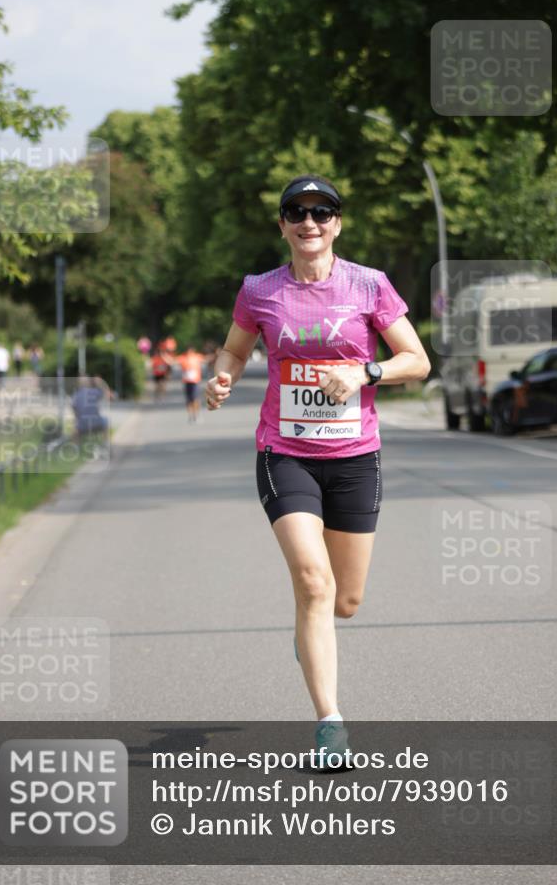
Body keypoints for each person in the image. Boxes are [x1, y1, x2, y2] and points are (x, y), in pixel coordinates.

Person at [205, 174, 431, 766]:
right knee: (313, 581)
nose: (310, 222)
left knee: (344, 600)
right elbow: (234, 346)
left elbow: (417, 360)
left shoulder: (368, 285)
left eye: (322, 212)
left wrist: (365, 372)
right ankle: (330, 723)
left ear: (338, 222)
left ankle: (312, 636)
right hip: (285, 451)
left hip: (355, 456)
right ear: (281, 224)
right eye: (296, 212)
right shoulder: (260, 290)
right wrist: (223, 373)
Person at [178, 345, 204, 423]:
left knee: (195, 399)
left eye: (191, 351)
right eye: (188, 351)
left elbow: (207, 359)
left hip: (195, 382)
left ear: (193, 351)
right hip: (186, 382)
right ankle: (190, 415)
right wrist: (164, 356)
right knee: (188, 400)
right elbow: (172, 361)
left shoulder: (197, 357)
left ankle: (196, 415)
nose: (189, 352)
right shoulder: (182, 358)